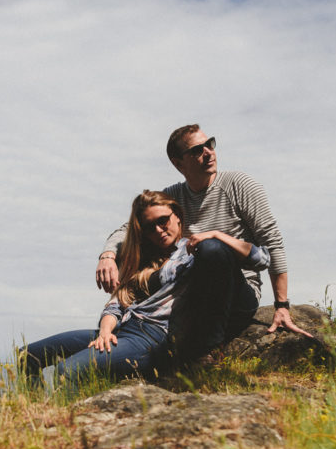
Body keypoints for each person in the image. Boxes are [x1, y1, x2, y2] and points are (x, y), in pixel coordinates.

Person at [94, 125, 311, 361]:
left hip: (238, 291)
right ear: (179, 163)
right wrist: (108, 256)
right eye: (197, 150)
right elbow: (129, 229)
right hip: (192, 293)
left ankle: (209, 351)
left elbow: (272, 241)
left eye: (210, 144)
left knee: (211, 249)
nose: (208, 152)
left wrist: (281, 305)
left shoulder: (238, 184)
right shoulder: (175, 196)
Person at [22, 191, 268, 385]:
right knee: (27, 356)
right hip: (122, 330)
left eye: (163, 221)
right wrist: (105, 331)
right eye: (150, 227)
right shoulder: (144, 262)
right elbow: (117, 302)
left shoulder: (197, 253)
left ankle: (61, 431)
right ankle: (28, 419)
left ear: (178, 216)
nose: (159, 230)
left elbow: (260, 259)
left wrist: (217, 235)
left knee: (68, 371)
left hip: (153, 337)